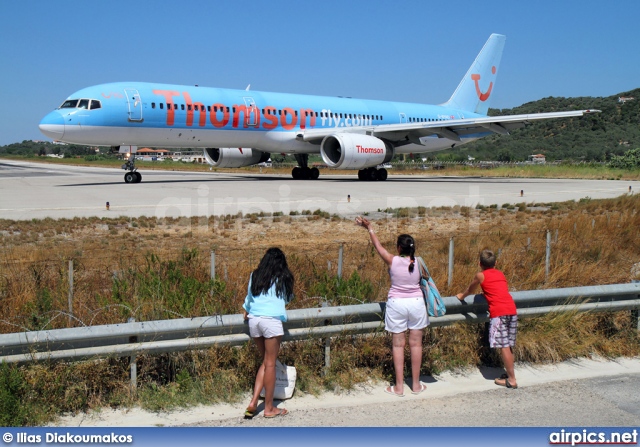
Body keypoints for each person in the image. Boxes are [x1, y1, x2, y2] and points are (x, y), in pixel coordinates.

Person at [355, 216, 428, 396]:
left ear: (398, 248)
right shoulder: (419, 262)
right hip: (417, 303)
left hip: (397, 304)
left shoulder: (392, 260)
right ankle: (416, 385)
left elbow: (378, 247)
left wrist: (369, 228)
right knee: (416, 344)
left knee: (398, 345)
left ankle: (399, 387)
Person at [242, 247, 294, 418]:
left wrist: (246, 309)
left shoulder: (255, 275)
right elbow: (287, 298)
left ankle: (253, 401)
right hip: (271, 321)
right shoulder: (284, 277)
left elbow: (249, 298)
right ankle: (269, 408)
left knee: (265, 362)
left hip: (254, 320)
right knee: (270, 363)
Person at [456, 249, 518, 389]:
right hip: (511, 310)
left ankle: (512, 380)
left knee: (504, 346)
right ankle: (509, 374)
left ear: (479, 263)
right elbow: (498, 289)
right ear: (495, 263)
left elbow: (470, 290)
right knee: (508, 345)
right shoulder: (501, 274)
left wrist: (461, 296)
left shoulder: (480, 275)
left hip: (499, 313)